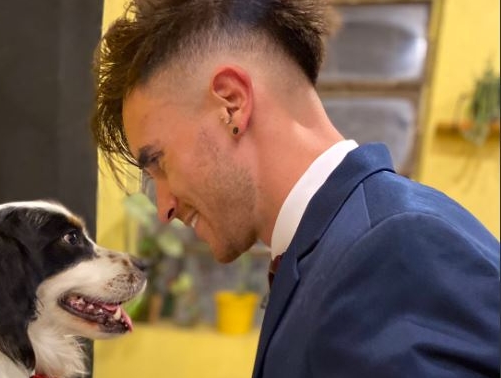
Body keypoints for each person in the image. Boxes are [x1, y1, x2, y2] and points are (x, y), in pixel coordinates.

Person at [90, 0, 500, 377]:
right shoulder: (335, 247)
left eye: (158, 162)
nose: (162, 208)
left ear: (231, 104)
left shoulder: (396, 249)